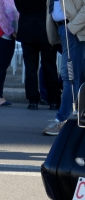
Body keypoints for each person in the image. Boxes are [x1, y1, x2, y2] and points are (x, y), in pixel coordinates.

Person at [43, 0, 85, 135]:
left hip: (73, 30)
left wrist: (72, 28)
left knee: (70, 76)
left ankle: (62, 119)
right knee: (75, 75)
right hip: (65, 29)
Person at [14, 0, 62, 111]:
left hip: (26, 28)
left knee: (30, 67)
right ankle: (54, 100)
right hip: (45, 29)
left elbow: (19, 7)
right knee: (49, 66)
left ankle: (33, 100)